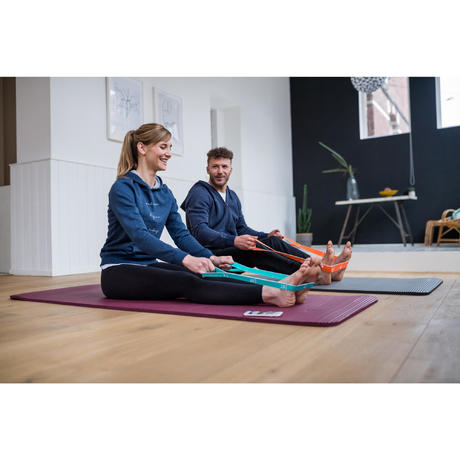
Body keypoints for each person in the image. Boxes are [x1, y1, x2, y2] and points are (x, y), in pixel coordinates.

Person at [99, 123, 321, 308]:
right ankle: (272, 295)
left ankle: (280, 288)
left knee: (206, 274)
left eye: (170, 147)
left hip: (148, 265)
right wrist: (187, 259)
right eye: (163, 147)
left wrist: (210, 258)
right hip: (118, 271)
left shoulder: (165, 193)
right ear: (142, 148)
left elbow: (181, 235)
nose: (168, 153)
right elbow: (140, 236)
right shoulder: (123, 188)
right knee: (186, 279)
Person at [180, 147, 352, 284]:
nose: (220, 171)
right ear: (207, 169)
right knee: (255, 249)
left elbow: (242, 228)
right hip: (210, 256)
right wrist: (234, 240)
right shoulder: (199, 193)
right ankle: (315, 273)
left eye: (224, 166)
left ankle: (324, 268)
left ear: (231, 170)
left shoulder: (232, 196)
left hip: (231, 251)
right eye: (215, 166)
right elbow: (200, 232)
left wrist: (265, 235)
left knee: (272, 241)